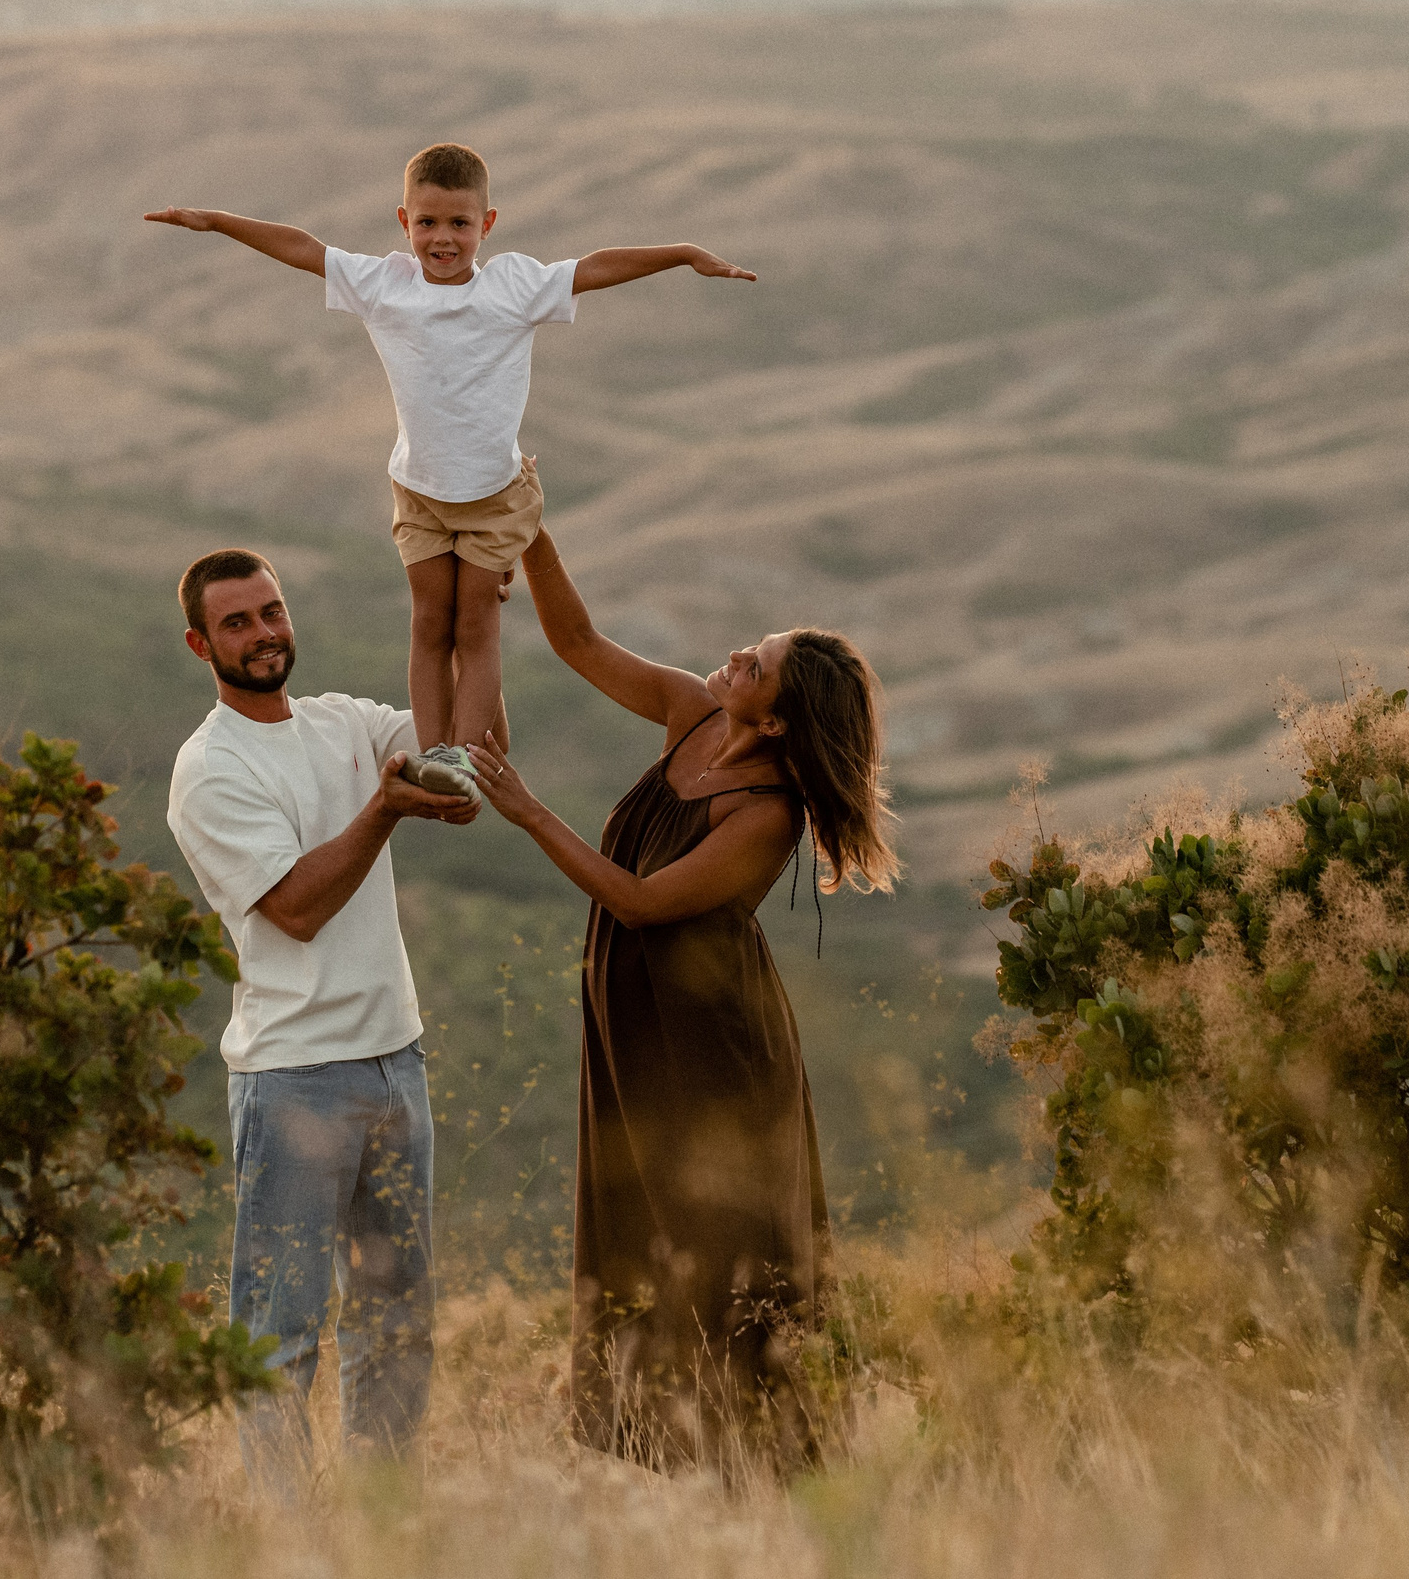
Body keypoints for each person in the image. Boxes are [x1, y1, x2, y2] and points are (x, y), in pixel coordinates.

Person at [461, 527, 898, 1475]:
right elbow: (578, 644)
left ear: (777, 720)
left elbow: (643, 901)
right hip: (636, 1026)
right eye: (756, 644)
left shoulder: (767, 811)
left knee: (724, 1240)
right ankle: (652, 1454)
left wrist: (529, 809)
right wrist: (529, 534)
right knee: (639, 1222)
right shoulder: (694, 712)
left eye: (760, 662)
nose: (739, 653)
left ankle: (764, 1467)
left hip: (714, 1042)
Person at [143, 141, 756, 801]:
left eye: (460, 223)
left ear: (486, 226)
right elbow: (302, 248)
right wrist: (219, 221)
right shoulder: (385, 286)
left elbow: (597, 267)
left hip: (496, 494)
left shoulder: (512, 286)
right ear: (403, 221)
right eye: (428, 222)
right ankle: (433, 753)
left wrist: (683, 254)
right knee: (429, 624)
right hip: (420, 490)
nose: (443, 238)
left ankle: (463, 759)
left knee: (475, 626)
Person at [162, 547, 478, 1492]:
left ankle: (381, 1525)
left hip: (396, 1062)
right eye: (237, 622)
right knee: (282, 1330)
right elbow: (296, 907)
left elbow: (465, 733)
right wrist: (385, 810)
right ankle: (291, 1540)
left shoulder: (347, 722)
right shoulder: (209, 768)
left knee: (396, 1319)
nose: (263, 633)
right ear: (199, 643)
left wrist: (472, 606)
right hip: (295, 1077)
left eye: (271, 610)